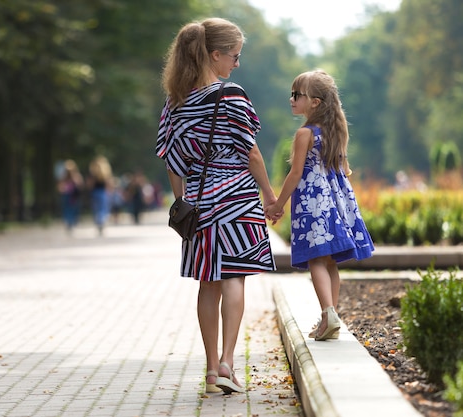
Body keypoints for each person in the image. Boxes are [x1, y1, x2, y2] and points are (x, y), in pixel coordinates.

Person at [156, 18, 278, 394]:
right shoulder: (231, 95)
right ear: (215, 54)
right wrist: (270, 196)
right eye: (234, 56)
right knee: (234, 279)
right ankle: (227, 363)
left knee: (208, 285)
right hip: (238, 202)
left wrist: (183, 202)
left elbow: (172, 161)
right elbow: (251, 152)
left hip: (199, 203)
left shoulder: (175, 102)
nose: (236, 65)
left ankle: (211, 372)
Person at [265, 69, 375, 341]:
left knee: (316, 258)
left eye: (297, 95)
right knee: (329, 262)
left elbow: (295, 174)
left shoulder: (305, 133)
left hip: (313, 203)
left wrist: (278, 204)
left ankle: (328, 312)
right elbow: (343, 170)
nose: (291, 99)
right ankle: (330, 317)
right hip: (335, 201)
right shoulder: (335, 130)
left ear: (314, 102)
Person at [87, 155, 113, 235]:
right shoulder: (106, 172)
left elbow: (89, 185)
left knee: (96, 209)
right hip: (102, 193)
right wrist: (109, 192)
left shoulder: (92, 173)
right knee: (103, 209)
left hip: (95, 192)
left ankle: (98, 222)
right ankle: (101, 222)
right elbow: (109, 184)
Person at [57, 159, 84, 232]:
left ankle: (72, 221)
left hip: (74, 195)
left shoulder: (76, 175)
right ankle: (69, 222)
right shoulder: (63, 176)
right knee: (67, 209)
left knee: (74, 209)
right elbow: (60, 187)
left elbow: (80, 185)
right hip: (66, 195)